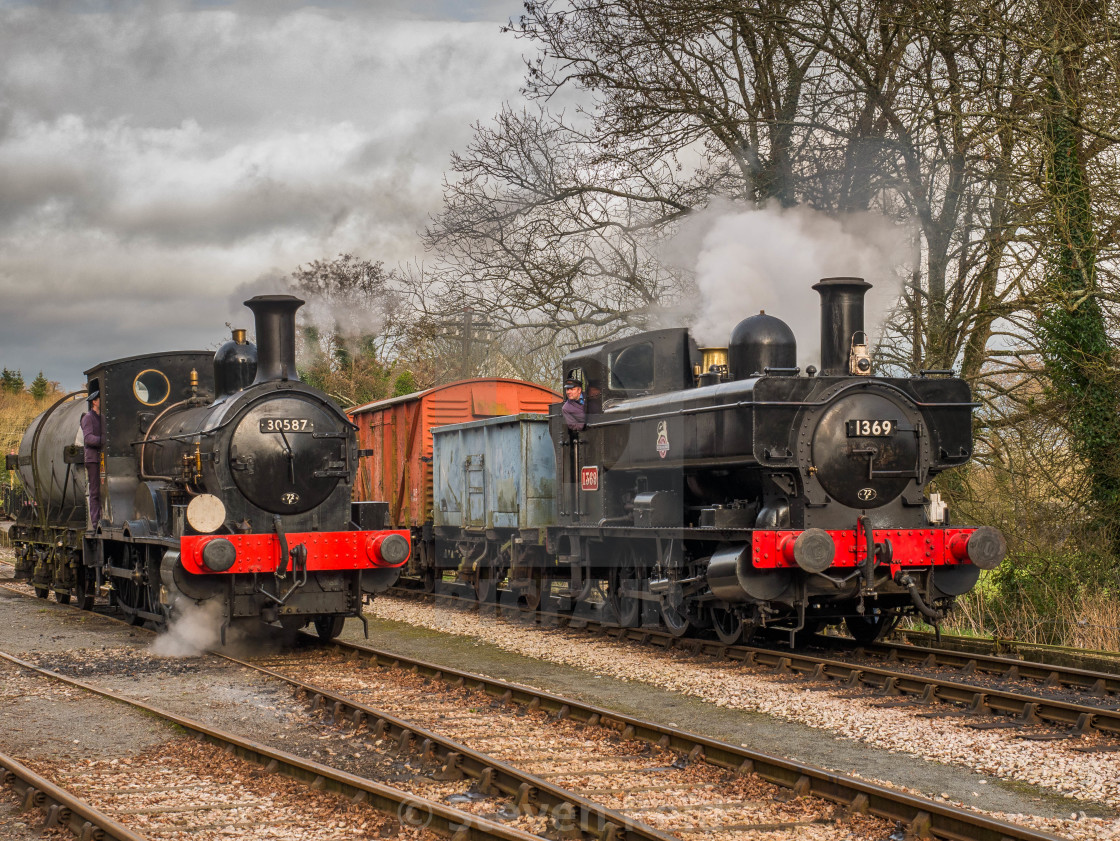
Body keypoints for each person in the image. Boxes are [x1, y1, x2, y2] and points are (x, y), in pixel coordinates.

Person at [81, 391, 103, 526]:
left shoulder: (103, 417)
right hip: (93, 458)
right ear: (94, 401)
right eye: (100, 399)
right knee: (94, 491)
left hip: (103, 457)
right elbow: (88, 438)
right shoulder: (88, 418)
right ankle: (95, 522)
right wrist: (104, 440)